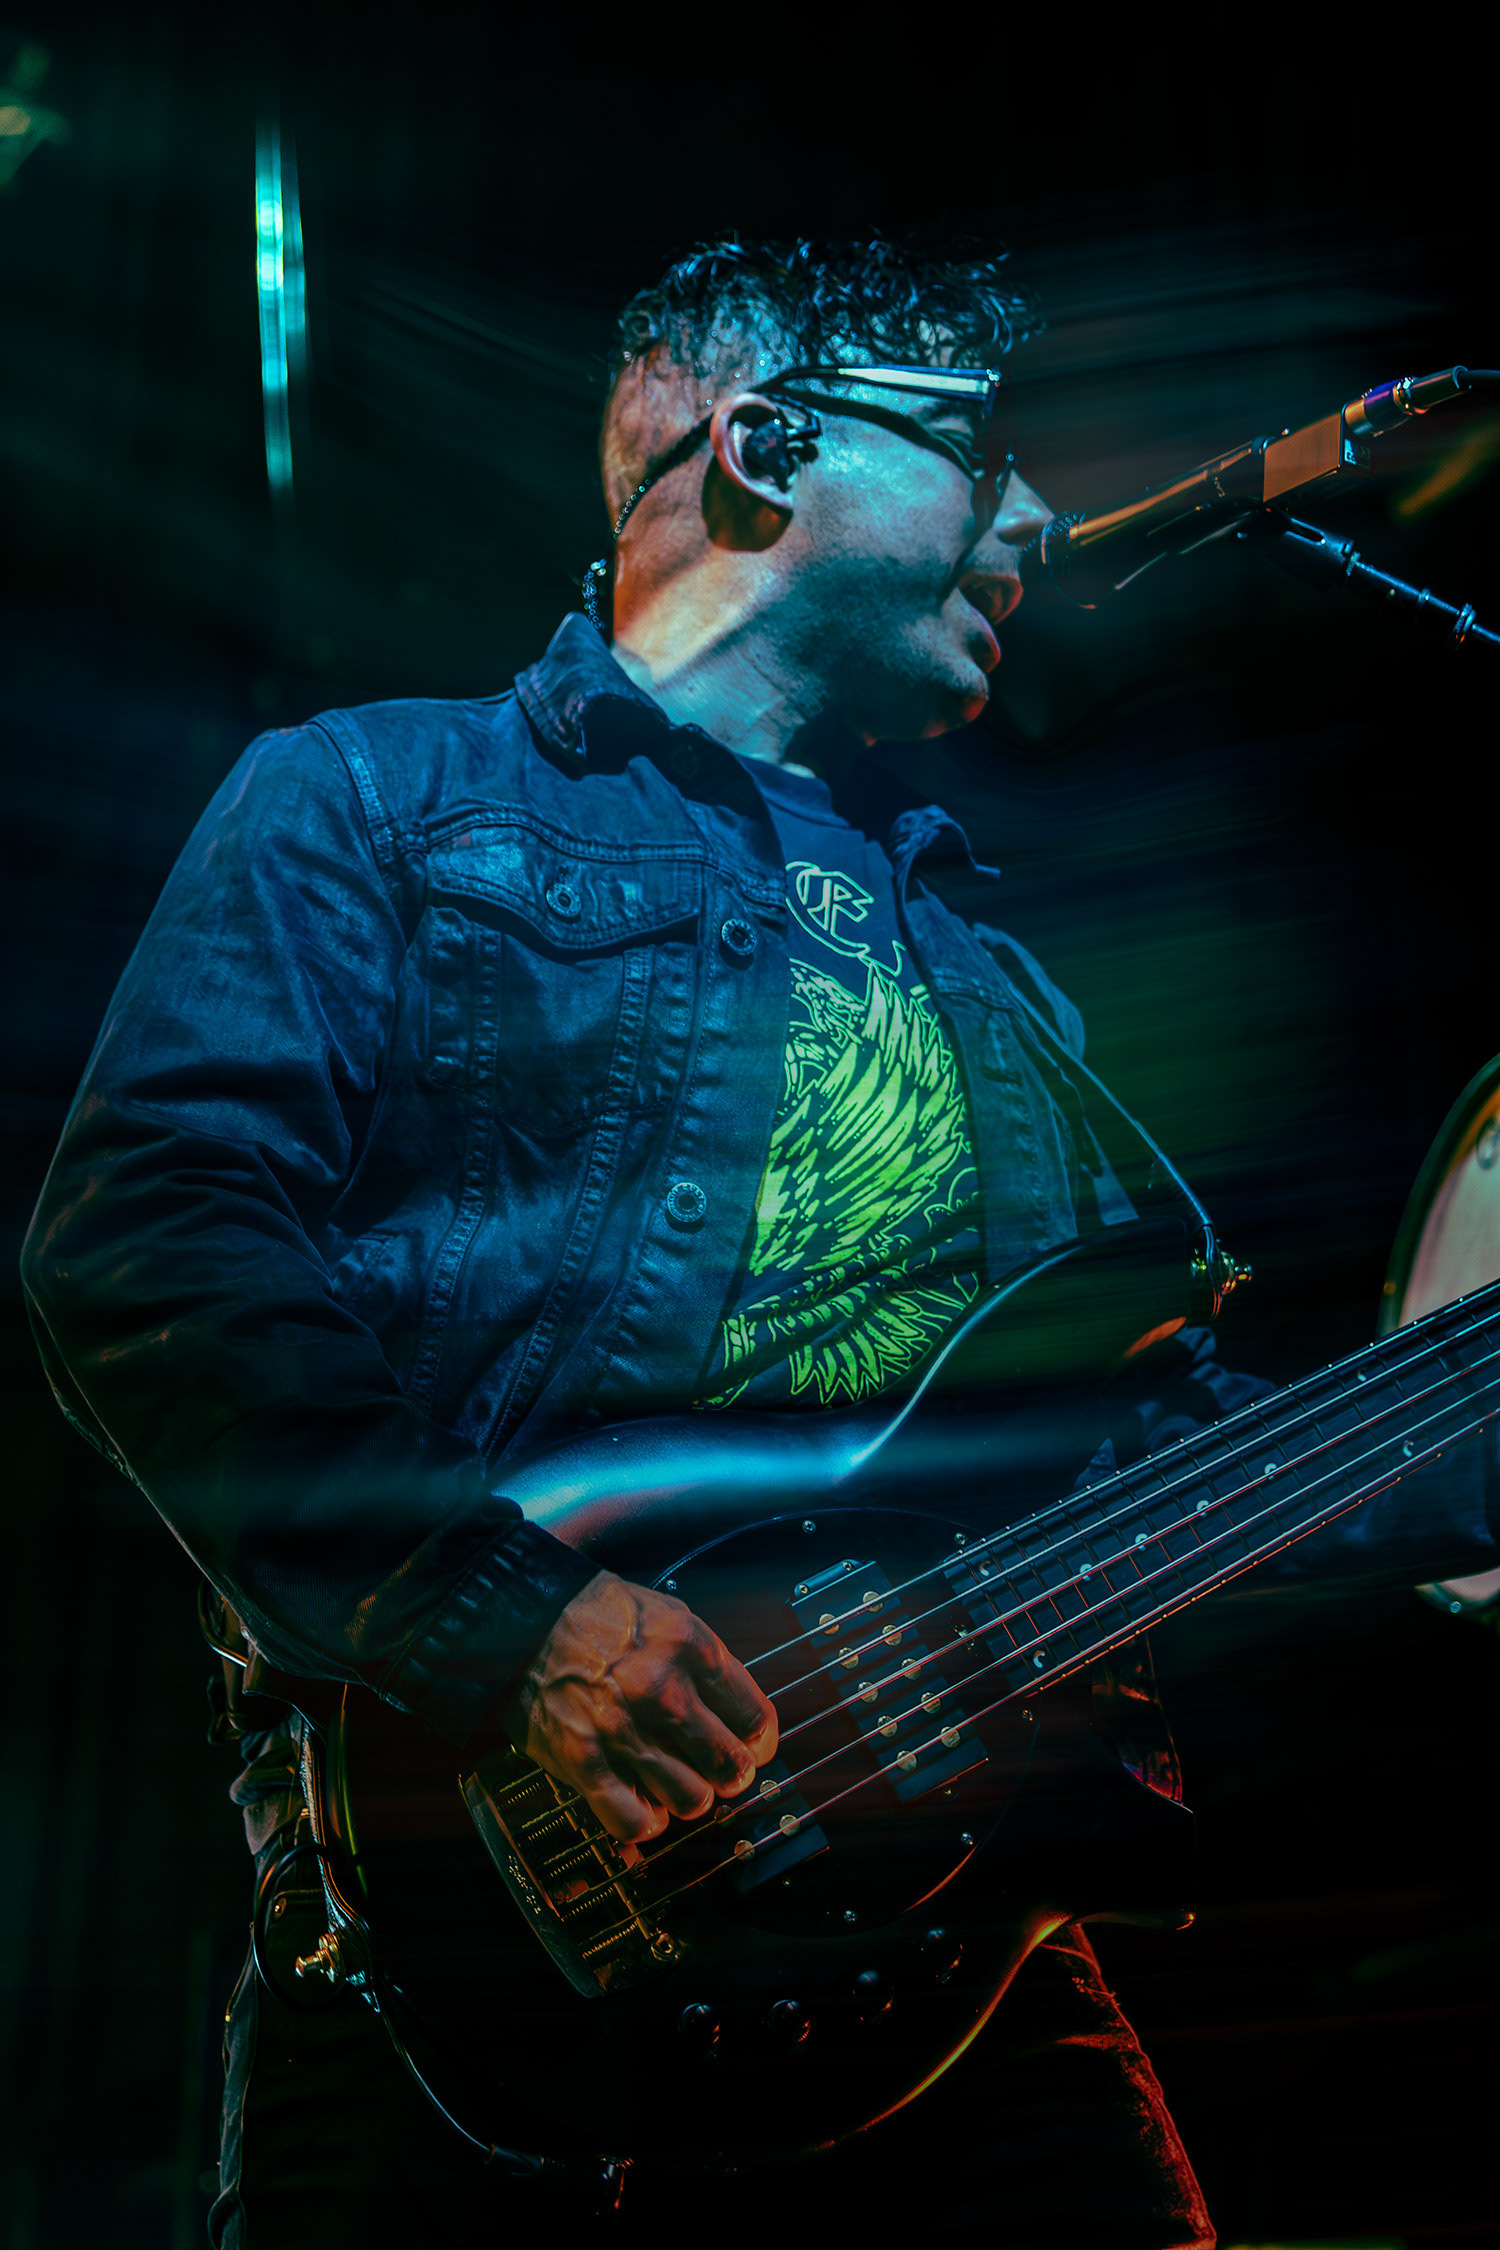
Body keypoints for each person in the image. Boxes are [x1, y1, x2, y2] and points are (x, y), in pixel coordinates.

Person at [22, 237, 1500, 2249]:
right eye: (980, 452)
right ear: (765, 447)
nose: (1038, 519)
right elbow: (150, 1232)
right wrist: (506, 1621)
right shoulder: (377, 797)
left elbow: (1120, 1453)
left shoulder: (994, 981)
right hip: (494, 1933)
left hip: (955, 1959)